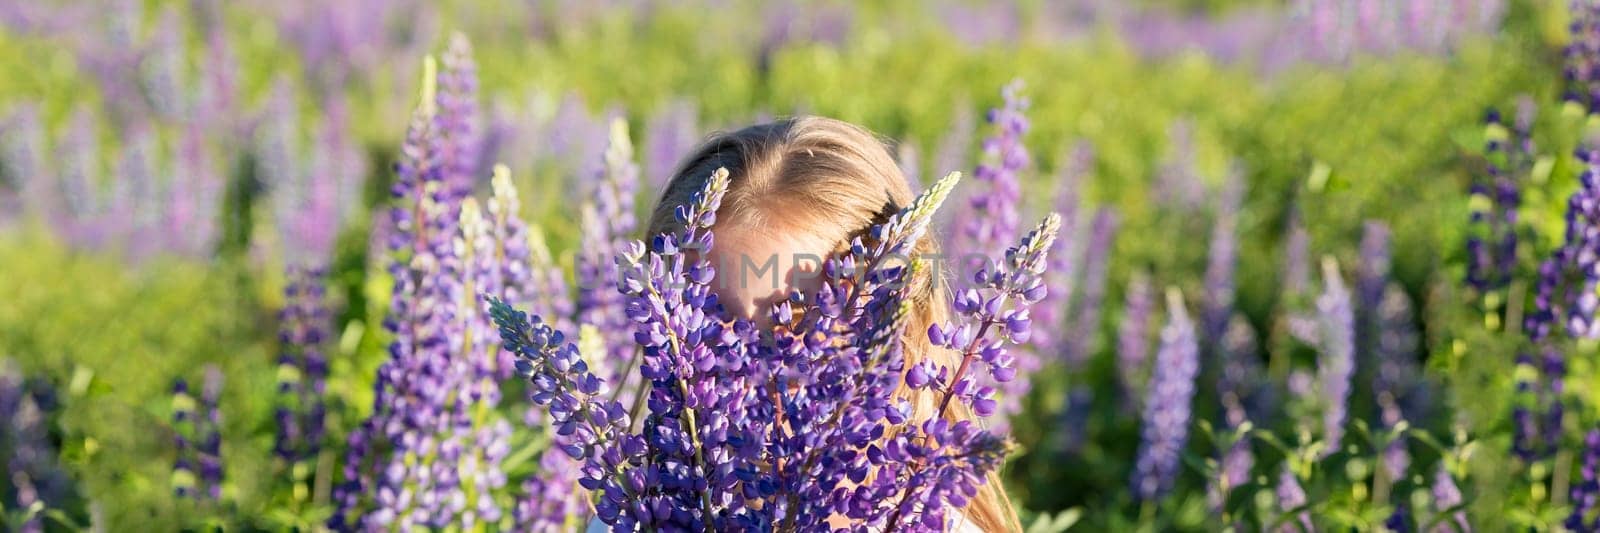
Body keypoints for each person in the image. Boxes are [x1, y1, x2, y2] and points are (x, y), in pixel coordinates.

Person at [642, 115, 1023, 532]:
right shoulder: (639, 510)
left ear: (897, 325)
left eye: (798, 316)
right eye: (709, 323)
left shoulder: (933, 523)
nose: (748, 361)